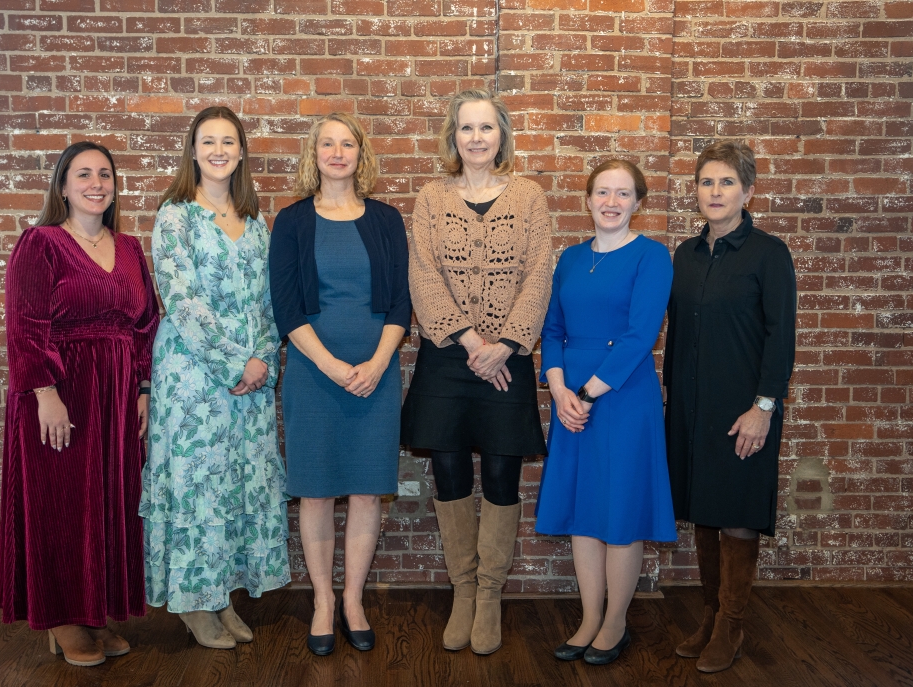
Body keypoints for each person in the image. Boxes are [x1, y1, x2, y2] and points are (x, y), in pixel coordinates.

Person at [401, 89, 552, 656]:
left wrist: (506, 343)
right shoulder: (431, 197)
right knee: (448, 470)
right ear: (453, 137)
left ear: (501, 135)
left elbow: (540, 273)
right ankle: (462, 590)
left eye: (487, 128)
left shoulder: (529, 197)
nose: (477, 138)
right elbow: (423, 273)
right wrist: (469, 341)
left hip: (507, 359)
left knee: (500, 476)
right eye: (467, 128)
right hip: (447, 353)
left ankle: (490, 594)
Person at [0, 142, 159, 666]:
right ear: (63, 186)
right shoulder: (40, 243)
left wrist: (142, 389)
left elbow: (145, 327)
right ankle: (63, 618)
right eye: (83, 174)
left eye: (106, 175)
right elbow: (25, 324)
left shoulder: (131, 248)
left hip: (115, 397)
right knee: (62, 505)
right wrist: (45, 394)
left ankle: (94, 614)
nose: (97, 184)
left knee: (105, 503)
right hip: (59, 392)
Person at [141, 106, 290, 650]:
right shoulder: (176, 216)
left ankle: (221, 595)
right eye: (209, 141)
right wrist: (235, 363)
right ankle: (192, 603)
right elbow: (181, 301)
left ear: (242, 152)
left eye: (229, 141)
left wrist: (263, 365)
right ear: (194, 150)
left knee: (234, 487)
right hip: (194, 379)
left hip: (249, 382)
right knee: (197, 487)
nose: (219, 150)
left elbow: (271, 304)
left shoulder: (256, 224)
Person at [268, 112, 410, 656]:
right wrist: (328, 364)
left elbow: (400, 300)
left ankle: (354, 598)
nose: (337, 152)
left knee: (368, 489)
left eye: (347, 142)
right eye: (327, 143)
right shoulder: (293, 221)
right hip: (312, 371)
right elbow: (286, 306)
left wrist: (377, 362)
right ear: (314, 154)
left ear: (360, 153)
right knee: (317, 489)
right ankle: (322, 601)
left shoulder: (385, 219)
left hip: (375, 370)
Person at [535, 160, 676, 665]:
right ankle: (589, 616)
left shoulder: (652, 257)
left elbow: (642, 335)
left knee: (620, 509)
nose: (611, 202)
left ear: (638, 202)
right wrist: (558, 389)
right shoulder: (570, 259)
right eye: (602, 192)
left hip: (621, 397)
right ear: (587, 200)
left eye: (623, 194)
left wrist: (588, 393)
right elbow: (552, 331)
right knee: (584, 509)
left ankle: (616, 622)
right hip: (571, 399)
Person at [664, 141, 796, 673]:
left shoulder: (769, 253)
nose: (714, 192)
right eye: (706, 182)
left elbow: (780, 337)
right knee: (703, 510)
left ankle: (732, 627)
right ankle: (710, 615)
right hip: (693, 408)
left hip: (745, 409)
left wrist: (763, 407)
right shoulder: (685, 255)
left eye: (726, 183)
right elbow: (676, 334)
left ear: (748, 191)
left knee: (736, 517)